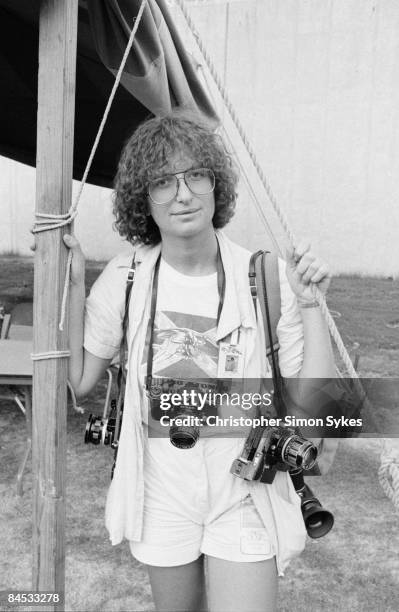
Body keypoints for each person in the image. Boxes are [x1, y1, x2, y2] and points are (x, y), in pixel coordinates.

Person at [64, 110, 336, 612]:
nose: (183, 193)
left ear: (216, 184)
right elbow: (79, 381)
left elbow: (314, 419)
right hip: (161, 495)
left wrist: (313, 304)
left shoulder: (268, 278)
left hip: (246, 493)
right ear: (143, 199)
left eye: (195, 175)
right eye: (163, 182)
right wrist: (74, 279)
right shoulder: (125, 278)